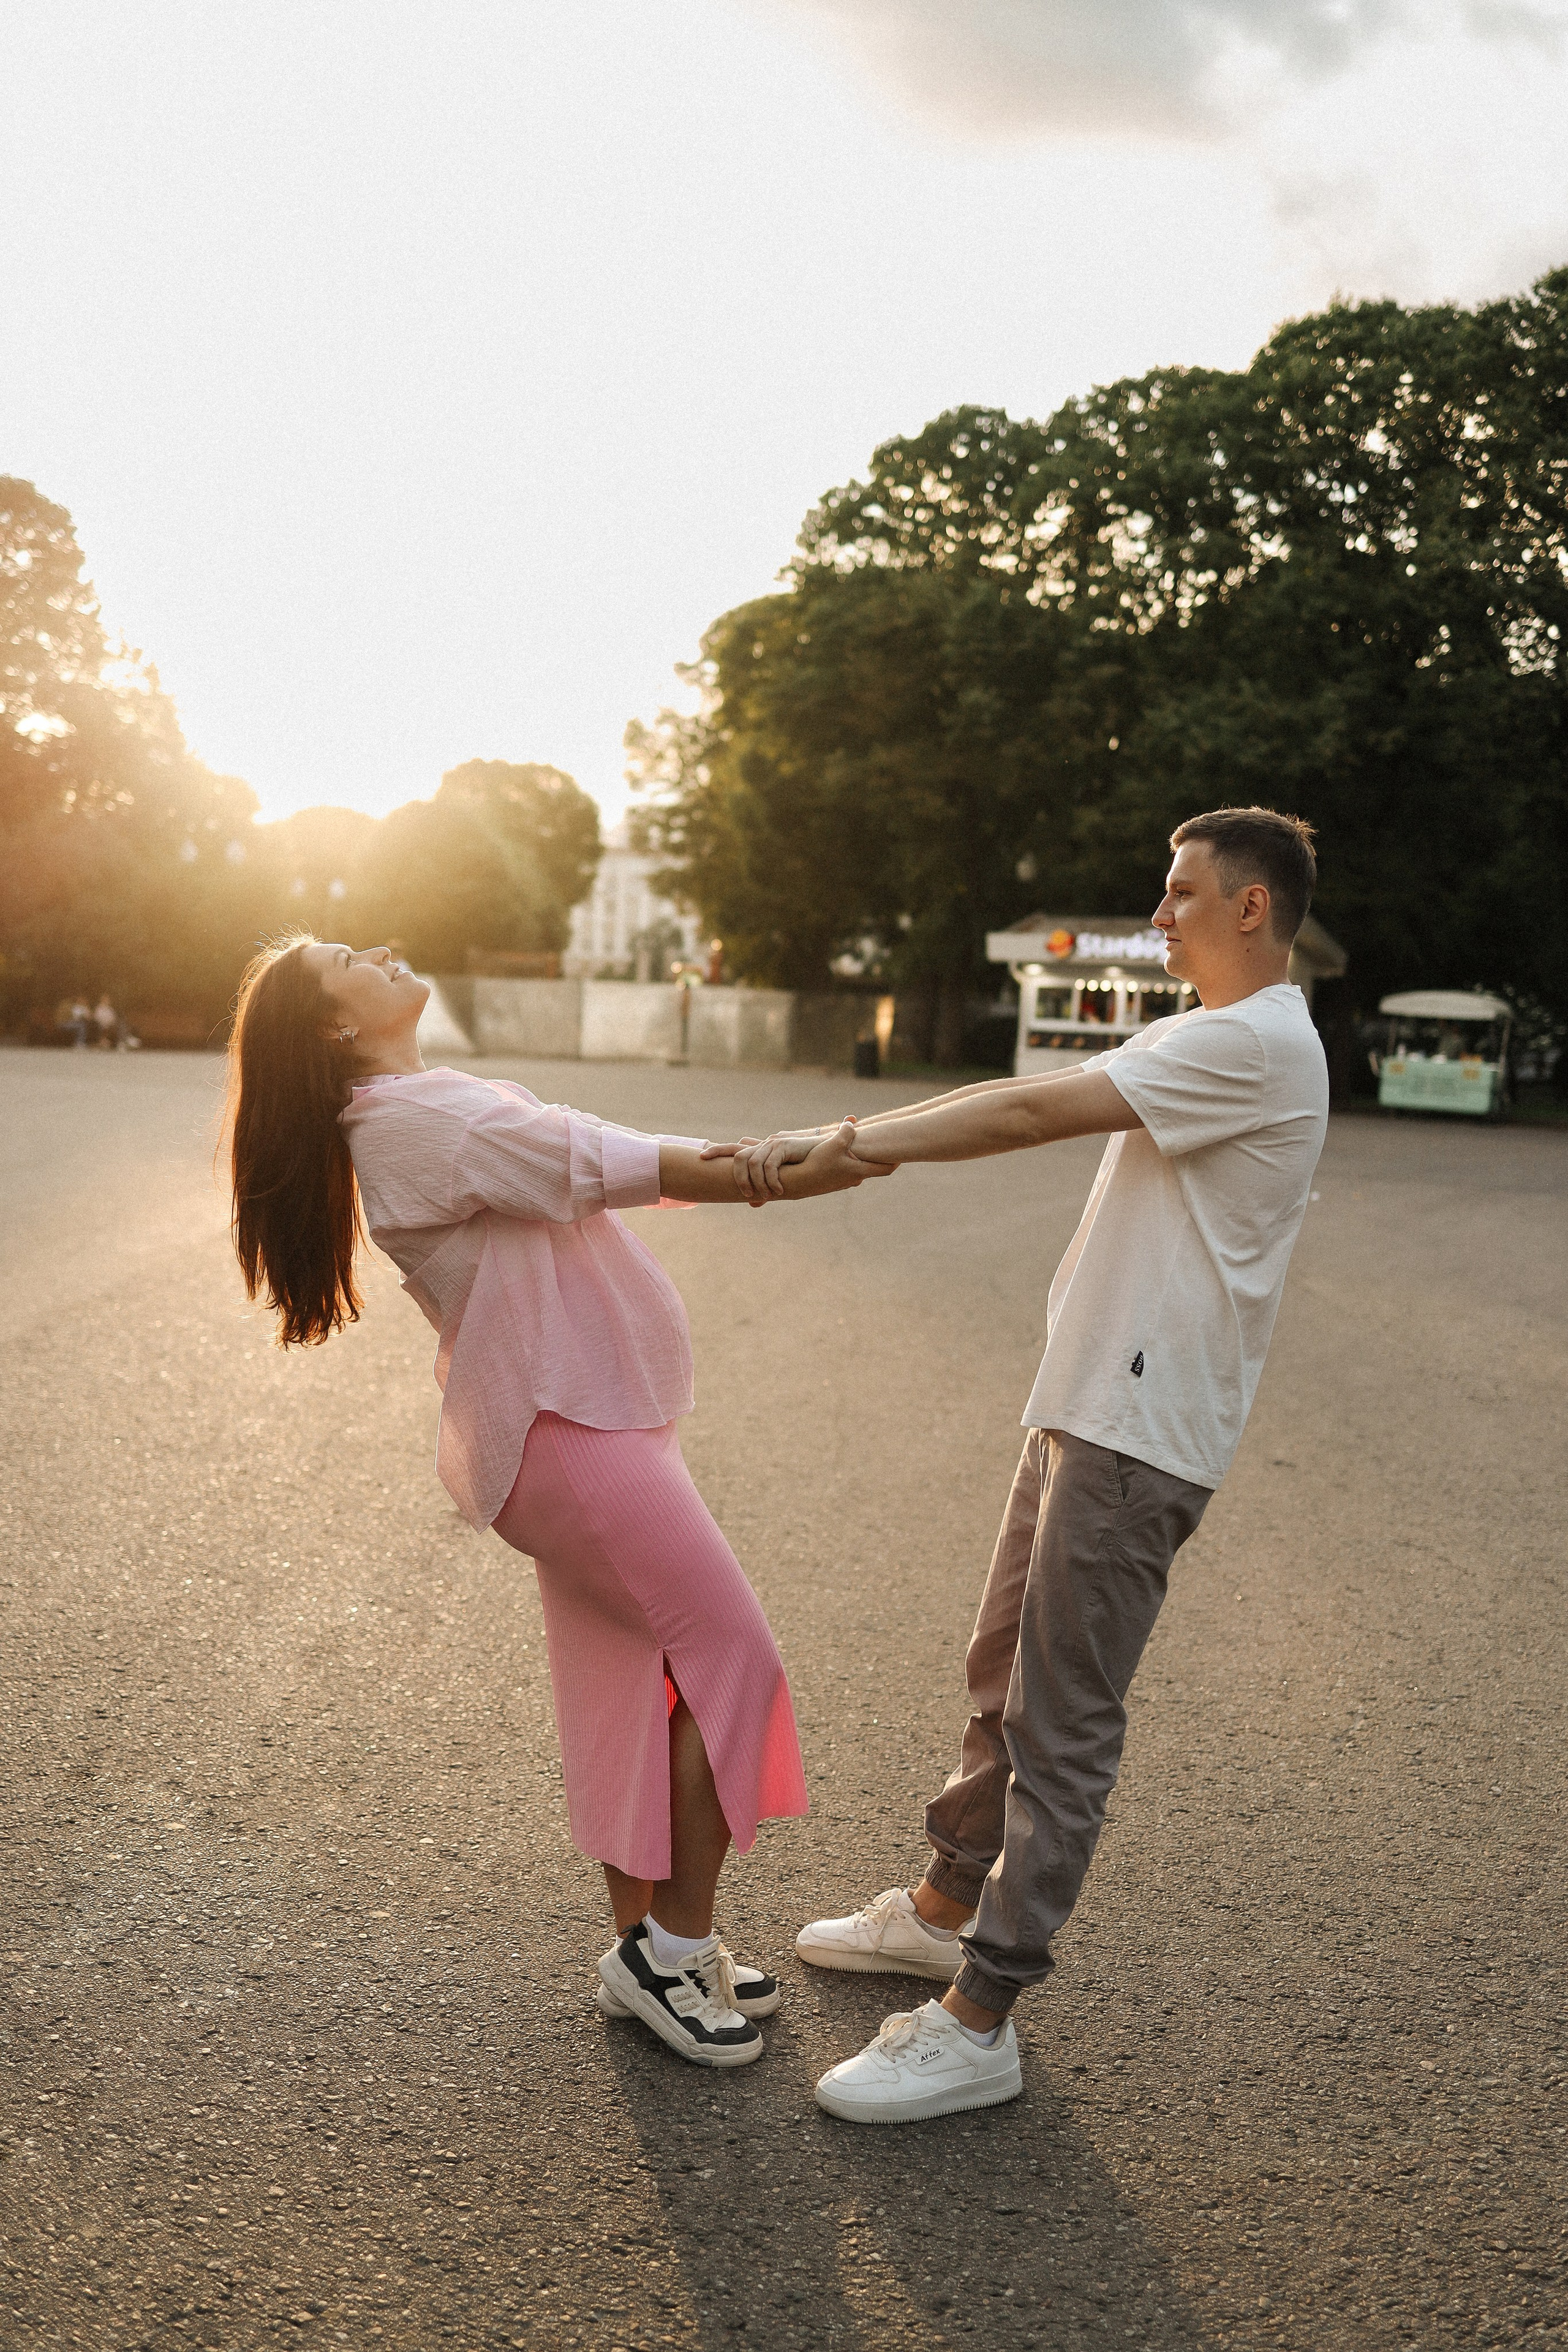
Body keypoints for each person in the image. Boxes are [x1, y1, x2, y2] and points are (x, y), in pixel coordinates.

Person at [723, 807, 1330, 2123]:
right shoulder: (1202, 1032)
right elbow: (1035, 1101)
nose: (1157, 914)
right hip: (1088, 1408)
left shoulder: (1255, 1043)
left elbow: (1031, 1110)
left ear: (1250, 907)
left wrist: (856, 1145)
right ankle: (941, 1910)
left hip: (1137, 1434)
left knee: (1061, 1722)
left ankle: (980, 2015)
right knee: (1002, 1674)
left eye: (1180, 893)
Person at [226, 932, 888, 2072]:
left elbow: (582, 1156)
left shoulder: (417, 1109)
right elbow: (597, 1157)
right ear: (334, 1025)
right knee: (731, 1659)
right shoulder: (416, 1121)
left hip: (572, 1427)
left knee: (629, 1680)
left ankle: (645, 1944)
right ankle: (671, 1953)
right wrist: (775, 1169)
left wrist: (756, 1163)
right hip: (573, 1435)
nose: (382, 948)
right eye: (349, 956)